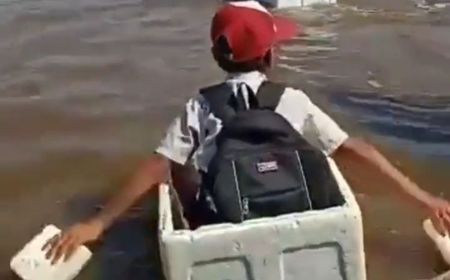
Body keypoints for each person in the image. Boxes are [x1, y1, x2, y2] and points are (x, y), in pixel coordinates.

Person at [44, 0, 450, 264]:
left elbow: (156, 168)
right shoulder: (293, 99)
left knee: (179, 167)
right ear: (272, 55)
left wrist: (98, 223)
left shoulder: (200, 106)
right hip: (295, 207)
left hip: (226, 216)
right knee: (320, 152)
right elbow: (354, 150)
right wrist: (424, 199)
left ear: (215, 55)